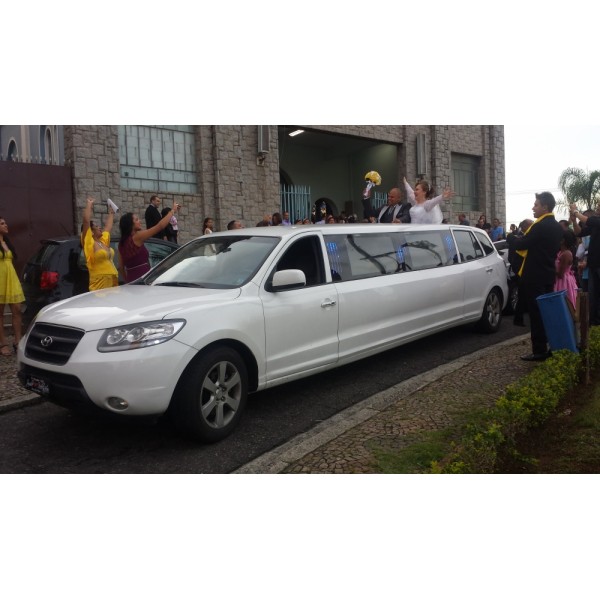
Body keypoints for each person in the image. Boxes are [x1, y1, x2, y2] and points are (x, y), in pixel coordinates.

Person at [508, 192, 563, 361]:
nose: (533, 207)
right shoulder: (556, 226)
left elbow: (522, 243)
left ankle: (539, 350)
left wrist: (511, 238)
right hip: (547, 274)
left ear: (545, 207)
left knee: (536, 314)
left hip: (534, 276)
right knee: (547, 313)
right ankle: (552, 345)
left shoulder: (540, 226)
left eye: (536, 205)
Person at [119, 201, 180, 283]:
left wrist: (127, 281)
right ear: (130, 224)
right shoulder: (137, 237)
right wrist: (172, 211)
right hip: (143, 278)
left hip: (131, 280)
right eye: (136, 220)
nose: (139, 221)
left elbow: (121, 267)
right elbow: (160, 226)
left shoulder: (121, 243)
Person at [570, 203, 600, 325]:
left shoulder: (596, 222)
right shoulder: (595, 224)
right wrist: (574, 221)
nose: (597, 209)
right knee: (593, 297)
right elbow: (579, 232)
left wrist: (575, 211)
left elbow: (587, 219)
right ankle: (594, 324)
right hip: (593, 266)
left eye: (599, 207)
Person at [81, 197, 118, 290]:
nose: (100, 228)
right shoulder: (89, 242)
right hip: (99, 283)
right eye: (97, 226)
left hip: (112, 280)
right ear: (91, 231)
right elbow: (86, 221)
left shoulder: (102, 241)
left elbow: (108, 227)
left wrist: (111, 213)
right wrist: (89, 204)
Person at [0, 217, 25, 355]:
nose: (6, 225)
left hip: (11, 279)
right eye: (2, 223)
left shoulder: (7, 242)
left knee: (17, 309)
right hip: (0, 280)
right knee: (0, 314)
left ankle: (17, 341)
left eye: (5, 222)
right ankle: (3, 343)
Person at [507, 218, 532, 326]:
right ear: (526, 226)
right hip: (520, 269)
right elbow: (512, 255)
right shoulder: (518, 237)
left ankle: (519, 318)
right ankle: (519, 318)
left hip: (525, 269)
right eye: (531, 225)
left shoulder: (525, 236)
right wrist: (517, 268)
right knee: (523, 294)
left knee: (523, 295)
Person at [554, 229, 578, 310]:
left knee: (565, 304)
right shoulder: (561, 252)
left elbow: (561, 274)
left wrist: (549, 269)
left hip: (564, 282)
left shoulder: (566, 254)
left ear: (563, 240)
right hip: (560, 280)